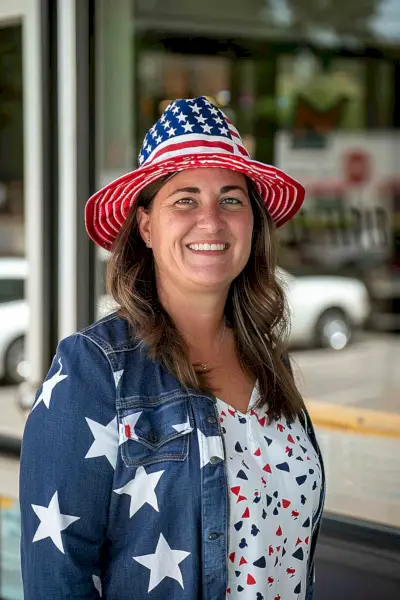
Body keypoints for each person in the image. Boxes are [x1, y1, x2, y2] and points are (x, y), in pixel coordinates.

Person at [20, 96, 325, 600]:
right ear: (145, 226)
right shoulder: (94, 370)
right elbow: (57, 580)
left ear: (253, 222)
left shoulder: (271, 364)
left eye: (231, 199)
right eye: (185, 199)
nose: (211, 220)